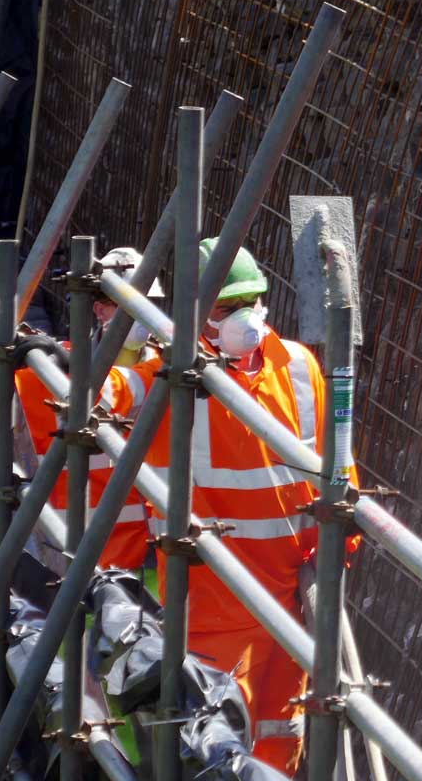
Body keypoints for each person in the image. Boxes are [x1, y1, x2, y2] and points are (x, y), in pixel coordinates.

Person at [132, 237, 349, 774]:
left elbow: (336, 464)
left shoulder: (298, 365)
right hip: (209, 608)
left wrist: (338, 550)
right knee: (212, 744)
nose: (243, 320)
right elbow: (105, 392)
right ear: (195, 316)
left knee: (280, 734)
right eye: (225, 309)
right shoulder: (167, 375)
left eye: (249, 302)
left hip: (288, 601)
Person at [8, 246, 163, 570]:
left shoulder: (174, 372)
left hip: (154, 561)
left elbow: (120, 389)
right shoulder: (41, 373)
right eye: (126, 304)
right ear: (98, 309)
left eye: (146, 303)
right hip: (70, 563)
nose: (140, 313)